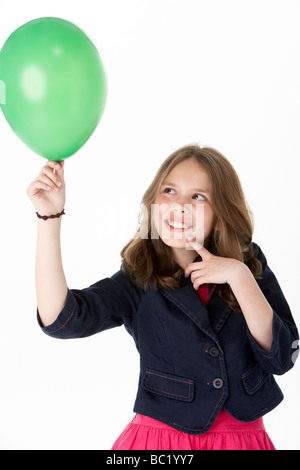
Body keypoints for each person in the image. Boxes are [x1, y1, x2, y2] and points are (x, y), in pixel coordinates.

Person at [27, 144, 298, 450]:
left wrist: (240, 277)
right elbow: (61, 320)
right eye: (169, 191)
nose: (179, 205)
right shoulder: (139, 276)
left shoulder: (248, 263)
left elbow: (283, 356)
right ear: (154, 202)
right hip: (160, 443)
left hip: (242, 441)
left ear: (221, 212)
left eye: (198, 196)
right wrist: (48, 217)